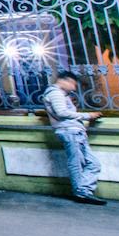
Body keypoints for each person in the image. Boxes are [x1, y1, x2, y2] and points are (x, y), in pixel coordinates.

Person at [43, 71, 105, 205]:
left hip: (74, 131)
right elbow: (61, 112)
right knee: (76, 163)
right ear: (63, 80)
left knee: (93, 164)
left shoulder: (61, 94)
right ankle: (81, 192)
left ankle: (83, 190)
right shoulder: (55, 93)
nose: (74, 88)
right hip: (69, 131)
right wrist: (88, 116)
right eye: (72, 84)